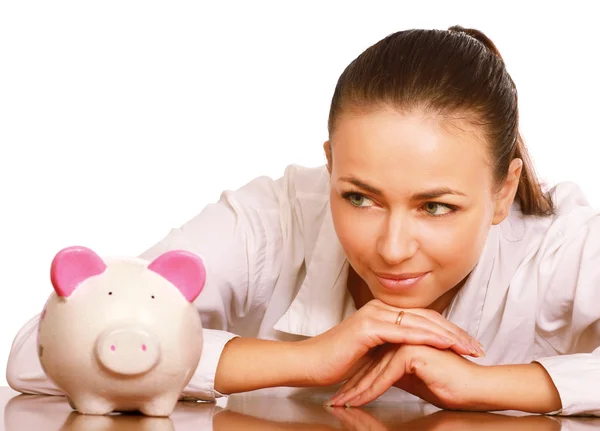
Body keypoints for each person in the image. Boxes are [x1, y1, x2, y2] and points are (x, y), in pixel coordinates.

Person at [6, 25, 600, 417]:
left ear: (503, 192)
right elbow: (38, 352)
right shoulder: (274, 216)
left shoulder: (560, 244)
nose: (393, 248)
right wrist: (309, 358)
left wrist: (485, 386)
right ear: (330, 166)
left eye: (436, 207)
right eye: (360, 198)